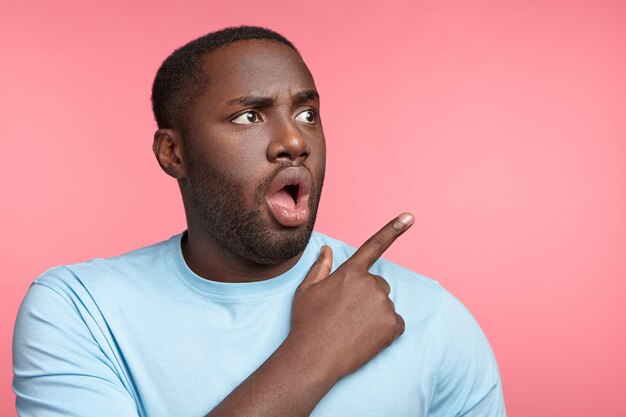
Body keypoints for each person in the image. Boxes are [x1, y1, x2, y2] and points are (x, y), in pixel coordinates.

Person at [12, 26, 506, 416]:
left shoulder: (428, 316)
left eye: (307, 112)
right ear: (173, 151)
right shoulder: (79, 311)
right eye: (250, 116)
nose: (295, 141)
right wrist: (316, 352)